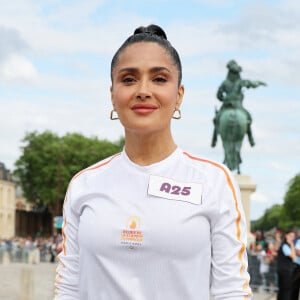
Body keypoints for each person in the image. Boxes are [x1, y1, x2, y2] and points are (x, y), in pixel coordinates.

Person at [54, 24, 252, 299]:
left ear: (179, 95)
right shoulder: (83, 184)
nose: (143, 90)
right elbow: (68, 287)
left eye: (159, 79)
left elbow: (231, 291)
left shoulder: (214, 181)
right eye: (128, 79)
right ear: (112, 95)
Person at [211, 60, 266, 148]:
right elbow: (251, 84)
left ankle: (214, 140)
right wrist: (259, 83)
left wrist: (224, 99)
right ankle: (251, 139)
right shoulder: (240, 82)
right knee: (248, 119)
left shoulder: (225, 83)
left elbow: (219, 95)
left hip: (226, 106)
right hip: (238, 106)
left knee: (216, 120)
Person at [276, 230, 296, 300]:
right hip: (286, 271)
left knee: (282, 290)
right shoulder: (285, 245)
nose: (292, 238)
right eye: (291, 236)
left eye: (293, 236)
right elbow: (293, 256)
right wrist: (292, 245)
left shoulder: (283, 245)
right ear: (286, 236)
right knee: (286, 290)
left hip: (282, 270)